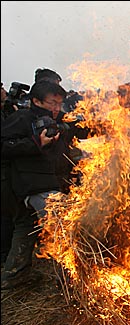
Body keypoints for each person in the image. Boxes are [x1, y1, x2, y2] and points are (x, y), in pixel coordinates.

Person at [1, 81, 76, 289]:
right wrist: (36, 143)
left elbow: (79, 129)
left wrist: (109, 126)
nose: (56, 108)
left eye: (59, 103)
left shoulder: (57, 119)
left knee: (26, 226)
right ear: (36, 101)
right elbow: (4, 145)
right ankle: (73, 280)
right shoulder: (22, 118)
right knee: (66, 228)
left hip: (45, 183)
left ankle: (14, 275)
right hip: (34, 186)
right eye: (52, 103)